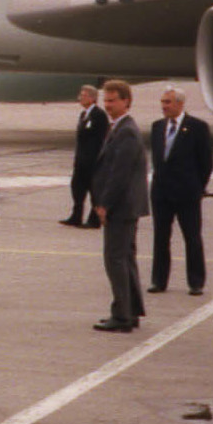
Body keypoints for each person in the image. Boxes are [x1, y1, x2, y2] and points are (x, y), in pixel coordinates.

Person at [91, 79, 149, 332]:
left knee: (115, 259)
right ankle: (131, 311)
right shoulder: (120, 128)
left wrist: (104, 204)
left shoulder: (126, 131)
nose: (107, 105)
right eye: (105, 100)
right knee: (125, 258)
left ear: (126, 101)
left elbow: (119, 174)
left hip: (121, 207)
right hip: (126, 206)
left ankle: (122, 315)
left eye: (112, 100)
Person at [148, 86, 211, 296]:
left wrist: (197, 187)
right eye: (162, 102)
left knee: (192, 238)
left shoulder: (197, 127)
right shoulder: (157, 127)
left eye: (168, 102)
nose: (164, 106)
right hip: (161, 194)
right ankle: (159, 280)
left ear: (180, 104)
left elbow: (206, 162)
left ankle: (196, 281)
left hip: (187, 194)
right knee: (160, 238)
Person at [61, 85, 109, 228]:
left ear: (93, 98)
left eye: (84, 95)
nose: (80, 98)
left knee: (94, 191)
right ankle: (76, 216)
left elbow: (99, 139)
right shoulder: (84, 115)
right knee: (77, 188)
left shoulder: (99, 115)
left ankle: (94, 219)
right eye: (80, 95)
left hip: (92, 161)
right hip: (81, 160)